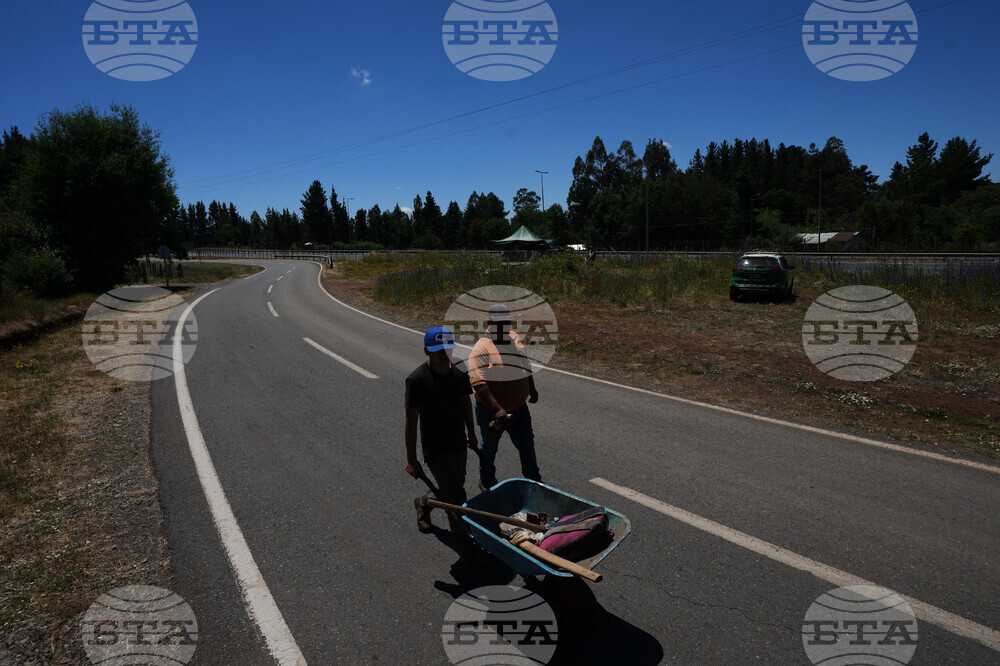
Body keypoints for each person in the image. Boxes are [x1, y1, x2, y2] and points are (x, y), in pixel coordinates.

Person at [404, 326, 479, 539]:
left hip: (458, 442)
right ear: (427, 351)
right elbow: (411, 421)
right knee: (456, 498)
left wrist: (471, 433)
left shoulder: (459, 371)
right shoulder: (417, 380)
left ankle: (424, 502)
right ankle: (466, 542)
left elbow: (466, 403)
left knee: (454, 487)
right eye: (438, 351)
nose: (444, 355)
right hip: (436, 449)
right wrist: (411, 459)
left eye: (447, 349)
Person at [468, 304, 541, 491]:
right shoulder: (481, 348)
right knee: (490, 448)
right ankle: (487, 481)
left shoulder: (514, 338)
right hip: (492, 413)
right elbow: (478, 383)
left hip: (519, 409)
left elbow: (525, 364)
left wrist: (532, 388)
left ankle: (535, 484)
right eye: (499, 324)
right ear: (489, 324)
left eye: (506, 323)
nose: (503, 328)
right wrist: (497, 408)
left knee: (527, 446)